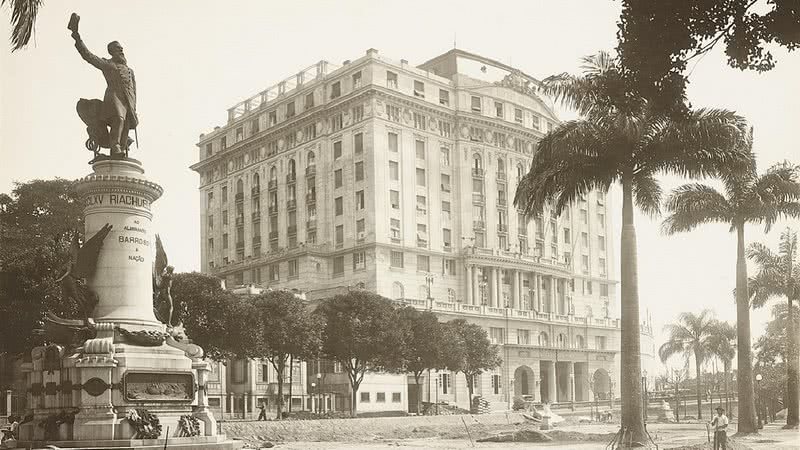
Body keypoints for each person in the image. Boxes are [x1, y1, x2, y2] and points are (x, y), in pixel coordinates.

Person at [69, 14, 138, 156]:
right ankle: (115, 147)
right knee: (118, 119)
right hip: (114, 98)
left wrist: (134, 108)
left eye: (121, 48)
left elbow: (134, 91)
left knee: (125, 126)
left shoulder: (130, 70)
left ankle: (121, 150)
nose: (121, 50)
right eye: (117, 48)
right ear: (111, 51)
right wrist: (76, 36)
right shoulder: (108, 65)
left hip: (128, 102)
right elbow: (88, 56)